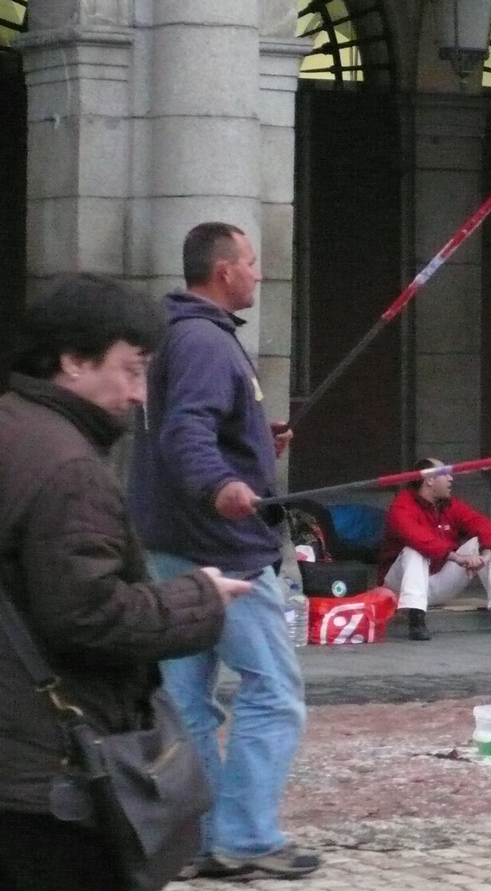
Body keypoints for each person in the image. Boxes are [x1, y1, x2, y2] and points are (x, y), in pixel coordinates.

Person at [0, 273, 250, 891]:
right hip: (45, 773)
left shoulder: (14, 429)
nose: (141, 394)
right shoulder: (68, 468)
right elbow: (87, 615)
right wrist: (201, 598)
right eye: (131, 369)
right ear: (74, 362)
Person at [129, 223, 321, 881]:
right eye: (249, 262)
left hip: (172, 545)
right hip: (225, 552)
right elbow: (187, 432)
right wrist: (221, 485)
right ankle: (245, 835)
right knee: (272, 692)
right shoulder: (208, 342)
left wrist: (256, 446)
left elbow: (194, 426)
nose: (258, 274)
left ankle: (204, 837)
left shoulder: (175, 337)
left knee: (187, 700)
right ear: (221, 272)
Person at [379, 458, 491, 641]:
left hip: (439, 584)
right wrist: (457, 557)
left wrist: (484, 556)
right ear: (429, 479)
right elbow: (418, 538)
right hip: (399, 587)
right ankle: (416, 619)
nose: (451, 479)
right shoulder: (402, 505)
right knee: (415, 550)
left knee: (481, 543)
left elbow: (485, 526)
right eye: (445, 473)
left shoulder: (450, 505)